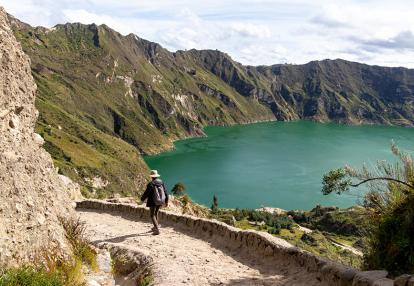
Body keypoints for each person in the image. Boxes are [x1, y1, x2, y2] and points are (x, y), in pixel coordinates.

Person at [141, 170, 168, 235]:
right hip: (161, 200)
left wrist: (142, 200)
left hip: (153, 201)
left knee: (152, 215)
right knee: (156, 213)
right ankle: (155, 227)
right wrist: (166, 201)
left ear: (151, 177)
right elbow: (165, 191)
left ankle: (157, 229)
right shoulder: (161, 182)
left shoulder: (151, 184)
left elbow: (146, 193)